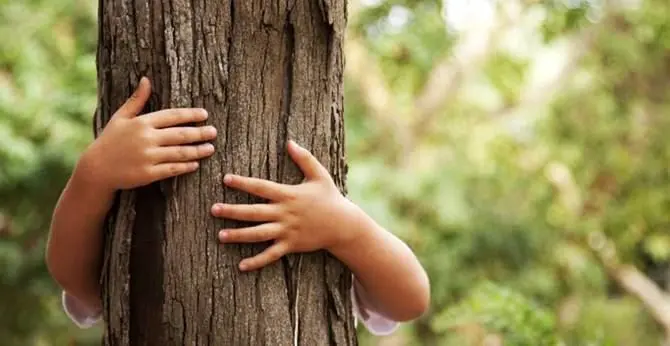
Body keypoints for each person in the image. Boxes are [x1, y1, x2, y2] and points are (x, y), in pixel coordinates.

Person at [46, 77, 430, 336]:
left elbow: (410, 299)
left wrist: (346, 228)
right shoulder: (121, 225)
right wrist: (91, 177)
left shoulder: (316, 227)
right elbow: (79, 281)